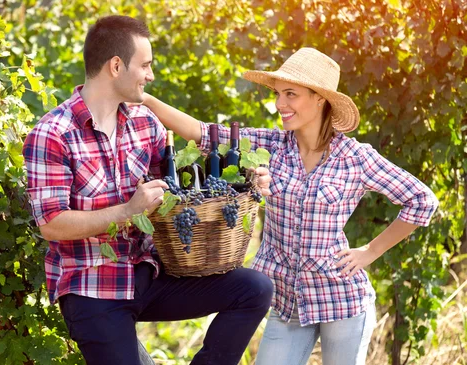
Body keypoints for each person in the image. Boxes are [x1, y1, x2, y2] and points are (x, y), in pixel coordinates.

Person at [141, 47, 439, 365]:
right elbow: (204, 134)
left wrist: (371, 251)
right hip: (287, 304)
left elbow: (422, 200)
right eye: (278, 94)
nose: (280, 104)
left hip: (341, 301)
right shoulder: (272, 145)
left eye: (291, 94)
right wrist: (145, 100)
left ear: (320, 98)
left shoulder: (356, 158)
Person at [22, 15, 273, 365]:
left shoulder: (145, 124)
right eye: (145, 65)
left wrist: (244, 179)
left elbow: (184, 187)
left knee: (254, 289)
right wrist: (128, 210)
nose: (151, 75)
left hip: (150, 274)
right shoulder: (52, 134)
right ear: (115, 66)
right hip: (93, 289)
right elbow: (51, 224)